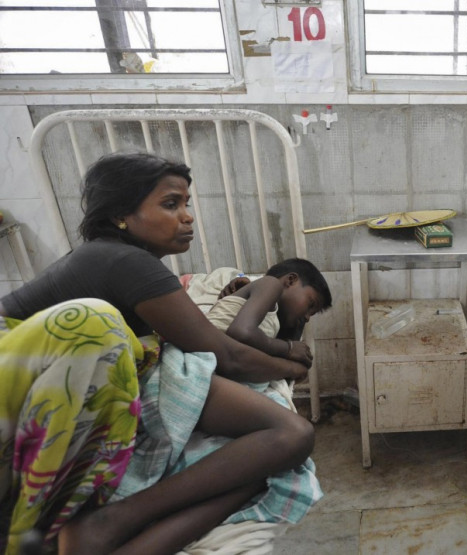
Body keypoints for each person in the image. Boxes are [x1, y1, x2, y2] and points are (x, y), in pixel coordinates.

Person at [0, 152, 316, 555]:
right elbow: (227, 354)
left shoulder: (119, 257)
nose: (187, 217)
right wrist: (291, 363)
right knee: (289, 435)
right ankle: (115, 520)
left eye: (187, 204)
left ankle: (108, 530)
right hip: (17, 374)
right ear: (120, 215)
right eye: (171, 204)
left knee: (262, 469)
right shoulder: (125, 262)